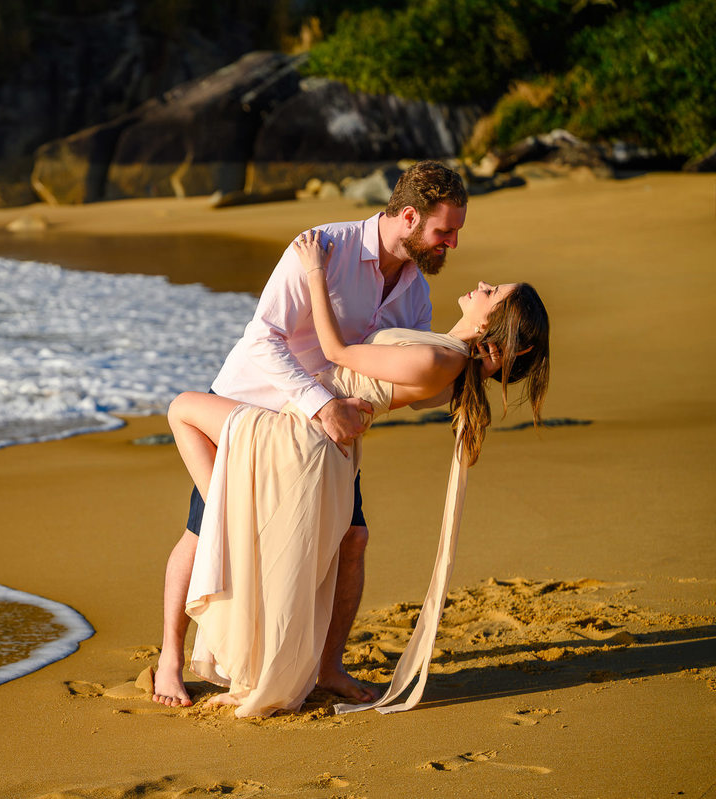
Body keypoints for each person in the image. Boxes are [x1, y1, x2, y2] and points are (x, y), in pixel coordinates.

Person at [169, 231, 550, 716]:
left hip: (300, 439)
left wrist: (313, 270)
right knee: (320, 547)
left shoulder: (441, 359)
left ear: (496, 323)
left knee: (182, 408)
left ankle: (230, 525)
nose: (482, 284)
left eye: (493, 292)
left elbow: (335, 350)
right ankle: (236, 530)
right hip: (322, 446)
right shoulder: (447, 354)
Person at [153, 160, 479, 707]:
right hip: (251, 411)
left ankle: (328, 665)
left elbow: (388, 372)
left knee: (352, 539)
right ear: (407, 217)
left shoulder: (416, 292)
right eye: (444, 232)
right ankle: (168, 659)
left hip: (325, 442)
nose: (451, 244)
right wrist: (320, 403)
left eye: (454, 234)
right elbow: (264, 339)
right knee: (206, 528)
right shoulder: (322, 248)